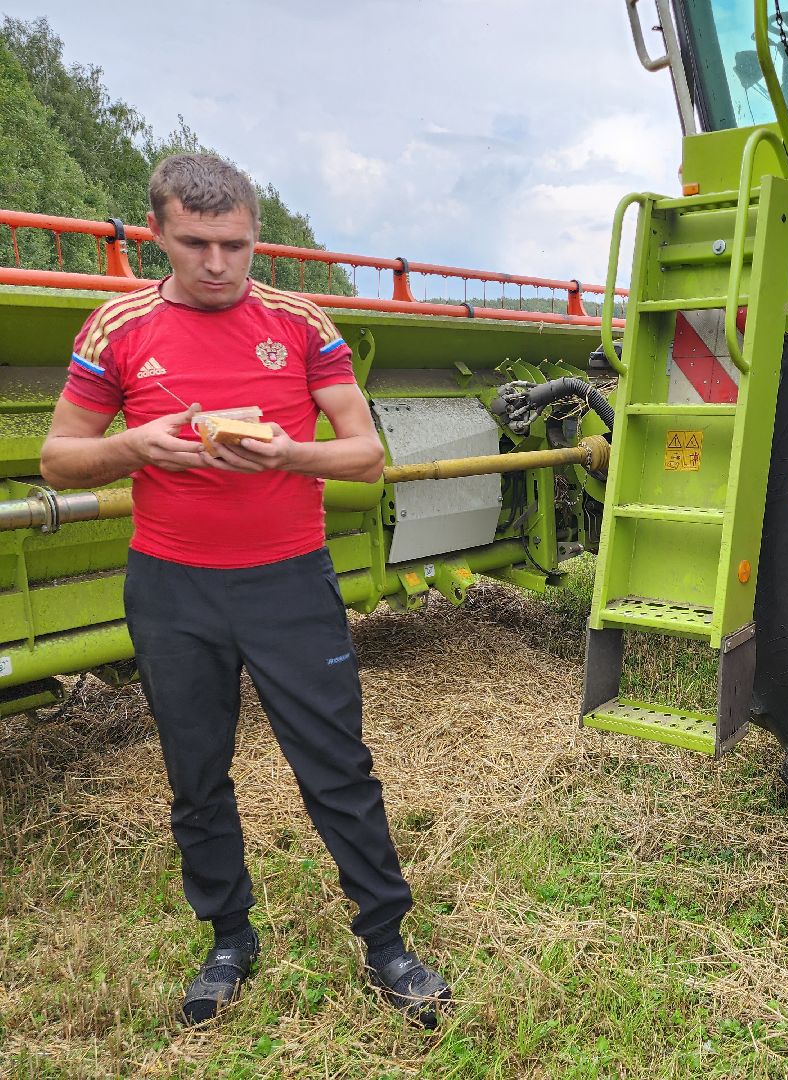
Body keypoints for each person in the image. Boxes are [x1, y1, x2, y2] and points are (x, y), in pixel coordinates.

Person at [40, 154, 450, 1029]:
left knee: (337, 766)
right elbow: (59, 457)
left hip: (289, 582)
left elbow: (366, 456)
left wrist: (290, 454)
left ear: (257, 236)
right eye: (197, 244)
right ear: (158, 234)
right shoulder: (116, 327)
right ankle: (229, 936)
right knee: (196, 773)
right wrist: (140, 444)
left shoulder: (298, 321)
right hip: (173, 588)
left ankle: (387, 943)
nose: (219, 263)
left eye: (236, 244)